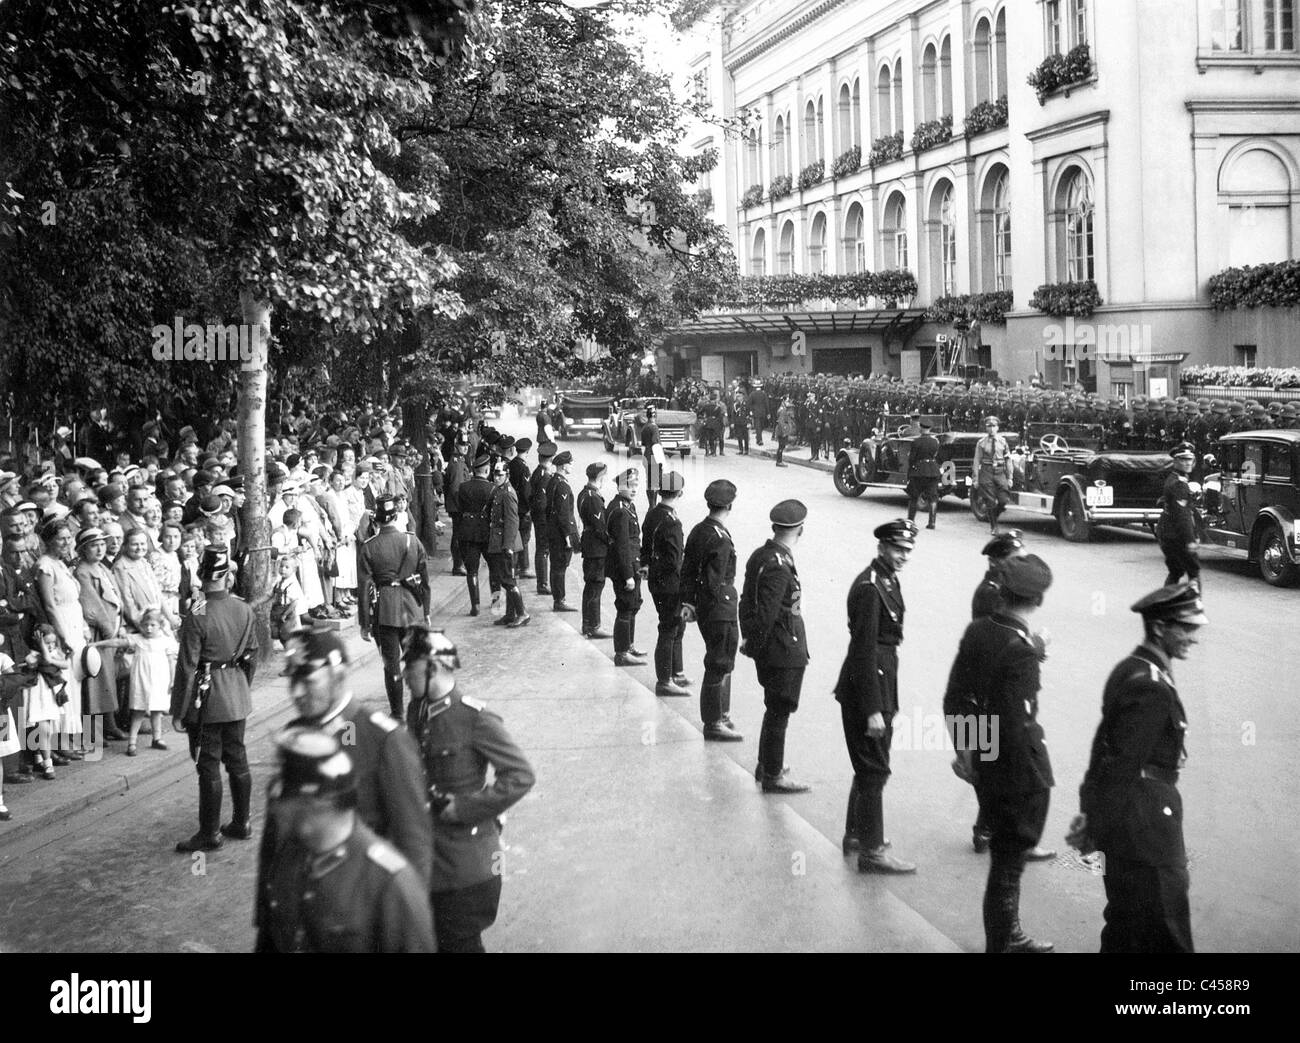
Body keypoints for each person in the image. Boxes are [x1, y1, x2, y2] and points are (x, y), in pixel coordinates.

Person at [1066, 583, 1207, 954]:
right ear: (1159, 628)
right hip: (1146, 823)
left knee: (1127, 925)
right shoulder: (1153, 687)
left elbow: (1103, 746)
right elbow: (1121, 763)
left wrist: (1090, 811)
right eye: (1186, 628)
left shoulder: (1130, 668)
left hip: (1128, 818)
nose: (1193, 638)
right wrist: (1093, 825)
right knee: (1167, 928)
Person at [944, 555, 1056, 953]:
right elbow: (1014, 722)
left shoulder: (978, 631)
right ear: (1037, 600)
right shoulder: (1021, 649)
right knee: (1009, 863)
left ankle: (1008, 935)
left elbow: (956, 698)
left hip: (989, 766)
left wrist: (970, 754)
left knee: (1005, 864)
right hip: (1016, 772)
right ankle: (1003, 942)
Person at [404, 626, 535, 953]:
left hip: (466, 867)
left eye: (410, 667)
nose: (403, 674)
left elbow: (520, 775)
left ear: (432, 667)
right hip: (431, 860)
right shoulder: (417, 711)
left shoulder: (473, 716)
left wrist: (463, 808)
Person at [270, 628, 432, 885]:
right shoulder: (295, 737)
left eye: (309, 681)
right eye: (293, 680)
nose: (297, 692)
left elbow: (414, 845)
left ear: (339, 675)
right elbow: (277, 839)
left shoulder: (384, 739)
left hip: (361, 899)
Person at [255, 728, 436, 953]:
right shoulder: (289, 857)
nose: (276, 808)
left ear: (318, 804)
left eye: (286, 801)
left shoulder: (390, 883)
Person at [834, 518, 918, 874]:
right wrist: (872, 709)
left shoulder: (885, 579)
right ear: (882, 547)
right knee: (874, 768)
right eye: (898, 549)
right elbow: (864, 649)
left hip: (880, 680)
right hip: (868, 685)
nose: (904, 556)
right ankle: (872, 851)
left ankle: (856, 835)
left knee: (868, 764)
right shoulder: (871, 588)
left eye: (908, 551)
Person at [170, 547, 258, 853]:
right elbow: (252, 654)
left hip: (206, 699)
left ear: (202, 576)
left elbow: (187, 666)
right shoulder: (243, 609)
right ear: (227, 578)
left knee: (208, 764)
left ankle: (209, 833)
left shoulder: (198, 613)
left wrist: (179, 710)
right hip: (236, 693)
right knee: (237, 758)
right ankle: (242, 822)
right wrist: (241, 686)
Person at [739, 499, 810, 793]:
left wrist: (748, 639)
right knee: (779, 710)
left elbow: (746, 602)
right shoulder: (780, 565)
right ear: (800, 530)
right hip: (782, 648)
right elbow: (767, 614)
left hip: (773, 646)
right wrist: (754, 644)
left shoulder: (761, 555)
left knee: (774, 708)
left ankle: (766, 763)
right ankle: (773, 774)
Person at [679, 479, 742, 741]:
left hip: (705, 607)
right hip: (720, 608)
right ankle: (714, 721)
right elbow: (714, 581)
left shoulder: (698, 529)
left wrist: (690, 602)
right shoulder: (720, 539)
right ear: (729, 505)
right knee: (720, 662)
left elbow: (688, 570)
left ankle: (720, 716)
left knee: (719, 661)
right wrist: (718, 606)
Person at [358, 493, 430, 717]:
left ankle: (397, 713)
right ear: (396, 516)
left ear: (376, 520)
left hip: (385, 611)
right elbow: (424, 580)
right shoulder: (411, 540)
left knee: (391, 666)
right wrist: (426, 611)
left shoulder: (369, 547)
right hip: (413, 607)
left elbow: (364, 589)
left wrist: (365, 622)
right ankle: (420, 709)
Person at [641, 470, 690, 697]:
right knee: (670, 628)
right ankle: (665, 680)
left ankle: (676, 672)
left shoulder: (653, 514)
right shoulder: (672, 522)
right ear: (679, 492)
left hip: (656, 581)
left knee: (676, 626)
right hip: (670, 584)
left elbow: (646, 548)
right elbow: (674, 560)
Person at [603, 467, 645, 665]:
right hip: (624, 567)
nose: (634, 489)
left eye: (636, 485)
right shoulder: (620, 509)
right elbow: (622, 545)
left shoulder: (627, 505)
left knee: (633, 605)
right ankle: (621, 652)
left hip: (632, 564)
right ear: (620, 487)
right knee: (625, 607)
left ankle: (628, 645)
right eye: (630, 486)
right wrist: (628, 574)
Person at [487, 459, 529, 629]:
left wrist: (508, 547)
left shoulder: (508, 493)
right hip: (499, 542)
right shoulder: (499, 490)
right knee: (502, 578)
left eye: (500, 475)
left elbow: (512, 522)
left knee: (508, 580)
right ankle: (510, 614)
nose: (497, 477)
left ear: (507, 475)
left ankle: (522, 613)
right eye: (495, 474)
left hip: (506, 543)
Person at [1158, 442, 1201, 592]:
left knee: (1175, 572)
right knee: (1193, 573)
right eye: (1183, 459)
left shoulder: (1174, 478)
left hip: (1168, 533)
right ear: (1175, 461)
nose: (1188, 463)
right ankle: (1195, 607)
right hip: (1176, 536)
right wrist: (1190, 539)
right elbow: (1183, 516)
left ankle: (1165, 606)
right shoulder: (1179, 484)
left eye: (1190, 459)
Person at [456, 452, 495, 617]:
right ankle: (496, 601)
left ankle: (475, 605)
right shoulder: (492, 488)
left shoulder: (463, 487)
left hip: (467, 531)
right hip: (486, 532)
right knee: (494, 568)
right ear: (487, 470)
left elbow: (459, 509)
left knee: (472, 570)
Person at [577, 462, 612, 639]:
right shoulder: (593, 498)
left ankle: (587, 624)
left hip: (590, 546)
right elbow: (600, 527)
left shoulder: (585, 493)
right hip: (596, 548)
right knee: (595, 586)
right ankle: (594, 625)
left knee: (591, 587)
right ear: (600, 478)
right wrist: (610, 543)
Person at [544, 451, 581, 613]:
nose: (572, 466)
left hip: (552, 530)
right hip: (560, 533)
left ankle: (558, 599)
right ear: (563, 466)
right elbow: (564, 513)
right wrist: (568, 535)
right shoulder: (563, 485)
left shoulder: (553, 481)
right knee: (560, 567)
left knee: (555, 566)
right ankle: (560, 600)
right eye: (570, 463)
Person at [973, 415, 1014, 533]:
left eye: (994, 426)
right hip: (986, 471)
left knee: (1004, 500)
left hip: (1000, 472)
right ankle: (994, 526)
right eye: (989, 426)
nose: (991, 429)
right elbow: (976, 461)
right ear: (986, 428)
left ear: (998, 428)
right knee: (990, 501)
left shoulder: (1002, 441)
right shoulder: (981, 443)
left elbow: (1008, 459)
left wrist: (1010, 477)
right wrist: (975, 479)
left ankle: (993, 516)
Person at [528, 442, 557, 597]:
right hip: (543, 519)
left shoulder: (537, 472)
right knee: (543, 549)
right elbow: (542, 502)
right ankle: (543, 583)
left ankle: (543, 582)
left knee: (542, 549)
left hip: (537, 516)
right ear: (551, 459)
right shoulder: (545, 476)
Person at [905, 419, 942, 530]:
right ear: (930, 429)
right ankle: (932, 522)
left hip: (919, 471)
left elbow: (912, 458)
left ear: (921, 428)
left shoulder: (916, 442)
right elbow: (936, 455)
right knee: (933, 497)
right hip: (933, 470)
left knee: (914, 497)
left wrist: (910, 471)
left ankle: (911, 521)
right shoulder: (935, 442)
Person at [640, 405, 664, 508]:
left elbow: (644, 443)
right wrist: (661, 460)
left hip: (647, 455)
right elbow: (656, 444)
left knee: (649, 481)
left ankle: (651, 504)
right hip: (654, 456)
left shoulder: (644, 427)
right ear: (655, 415)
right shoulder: (654, 427)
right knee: (655, 482)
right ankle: (653, 505)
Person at [775, 396, 796, 467]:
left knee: (781, 446)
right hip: (781, 430)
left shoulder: (783, 409)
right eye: (787, 401)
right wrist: (784, 431)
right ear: (783, 401)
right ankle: (779, 461)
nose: (788, 402)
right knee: (781, 446)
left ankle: (779, 460)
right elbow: (781, 421)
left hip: (781, 430)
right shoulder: (783, 410)